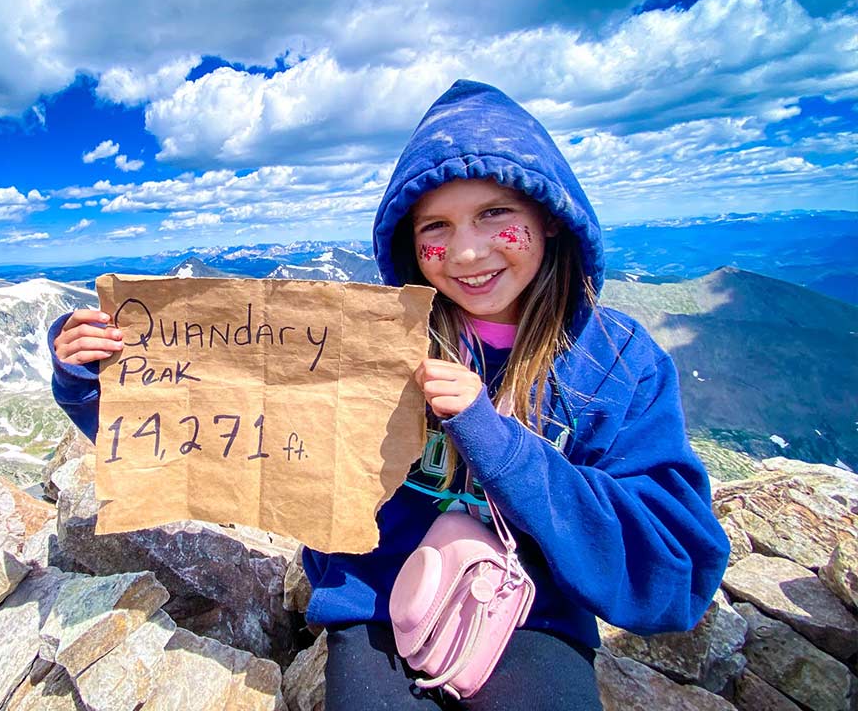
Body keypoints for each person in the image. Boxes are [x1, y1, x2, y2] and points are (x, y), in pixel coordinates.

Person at [47, 80, 730, 711]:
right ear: (408, 239)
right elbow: (218, 419)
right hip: (374, 603)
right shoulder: (368, 337)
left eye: (495, 214)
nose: (465, 253)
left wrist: (499, 443)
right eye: (435, 227)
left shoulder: (615, 361)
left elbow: (675, 566)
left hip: (533, 611)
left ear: (549, 218)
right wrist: (99, 374)